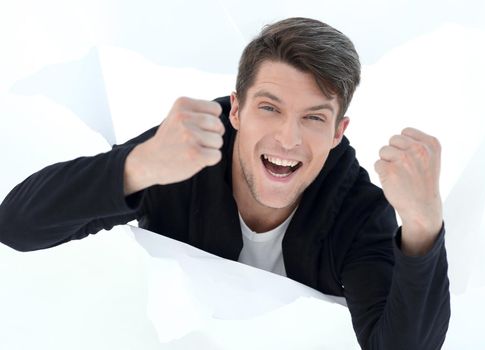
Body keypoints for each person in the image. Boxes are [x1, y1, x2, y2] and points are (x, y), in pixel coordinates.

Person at [0, 17, 450, 349]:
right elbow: (16, 226)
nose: (288, 139)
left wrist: (423, 226)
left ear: (338, 132)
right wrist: (137, 167)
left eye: (313, 118)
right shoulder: (182, 159)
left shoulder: (358, 210)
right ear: (235, 110)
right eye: (269, 108)